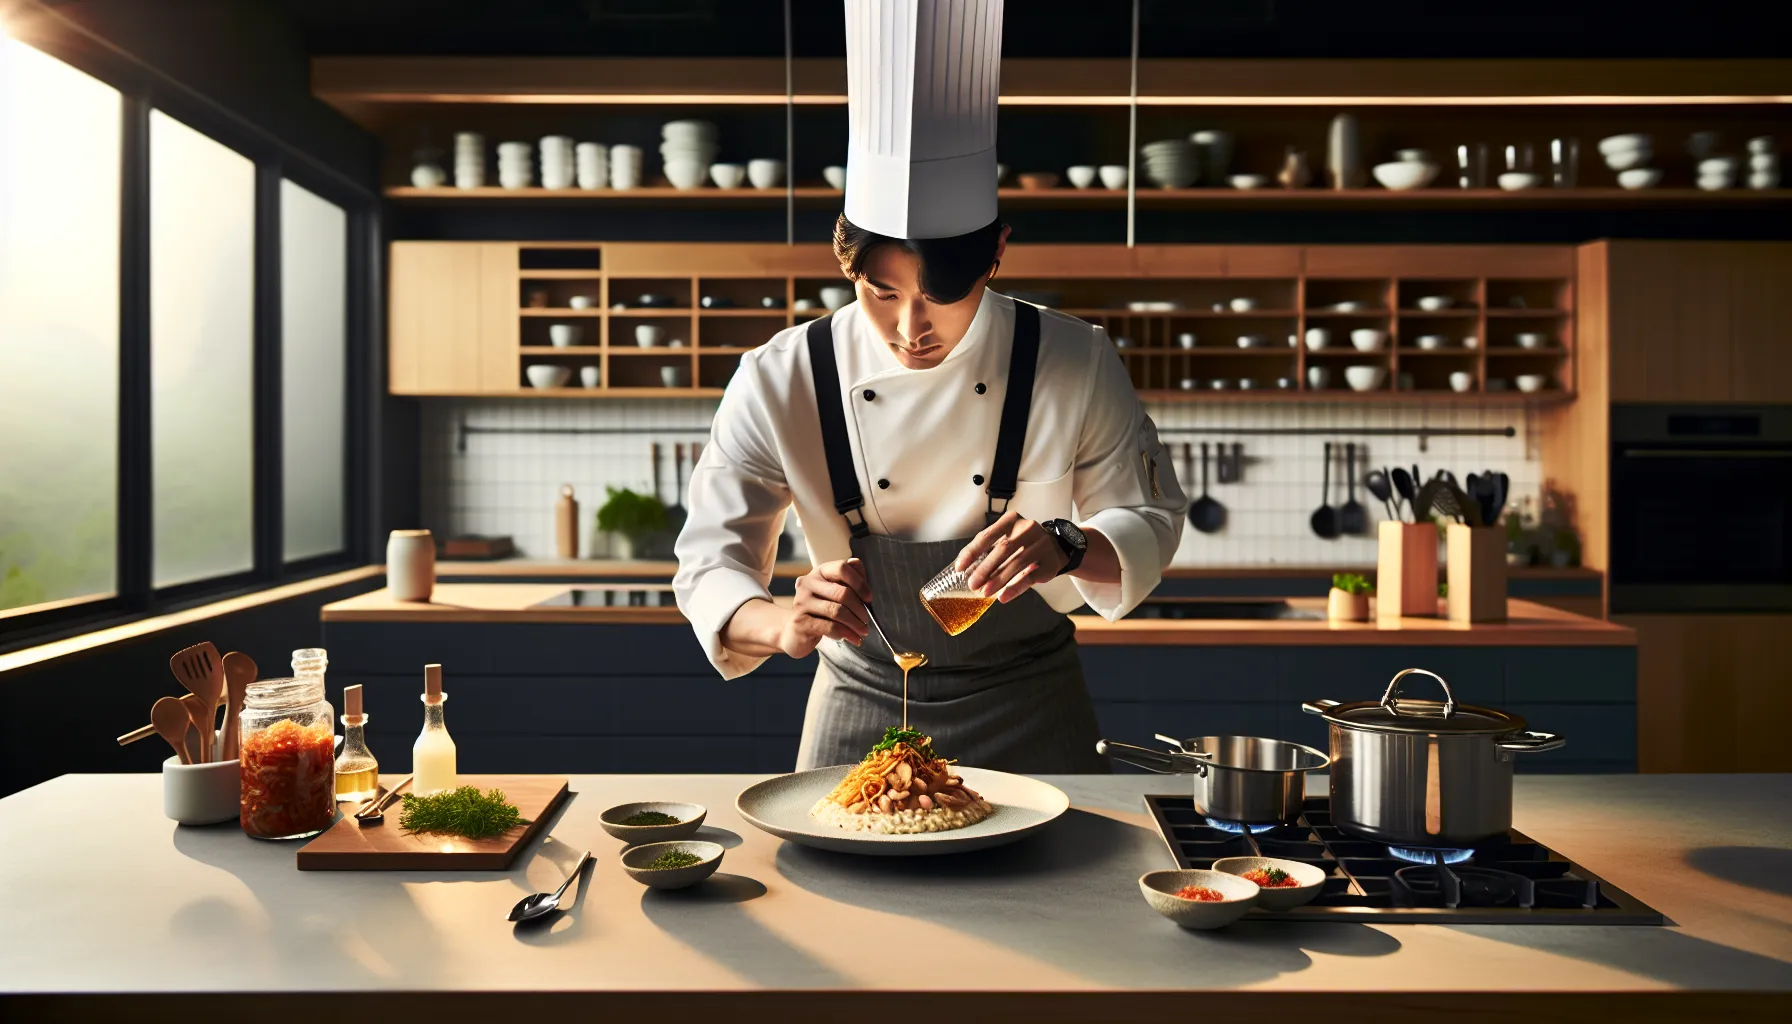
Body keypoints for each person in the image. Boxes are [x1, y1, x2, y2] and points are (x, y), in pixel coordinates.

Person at [672, 0, 1187, 773]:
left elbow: (1150, 521)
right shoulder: (781, 378)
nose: (911, 326)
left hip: (1031, 700)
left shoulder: (1073, 360)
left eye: (942, 295)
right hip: (859, 700)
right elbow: (710, 568)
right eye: (881, 292)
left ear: (996, 253)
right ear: (845, 259)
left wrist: (1067, 545)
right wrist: (780, 621)